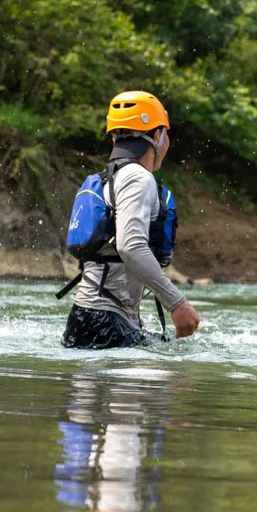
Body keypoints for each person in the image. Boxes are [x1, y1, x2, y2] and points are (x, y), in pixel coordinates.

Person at [61, 91, 201, 349]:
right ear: (157, 136)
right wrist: (177, 303)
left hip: (90, 316)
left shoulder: (110, 177)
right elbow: (130, 246)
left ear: (114, 135)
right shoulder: (138, 178)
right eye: (166, 134)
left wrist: (133, 318)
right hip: (105, 321)